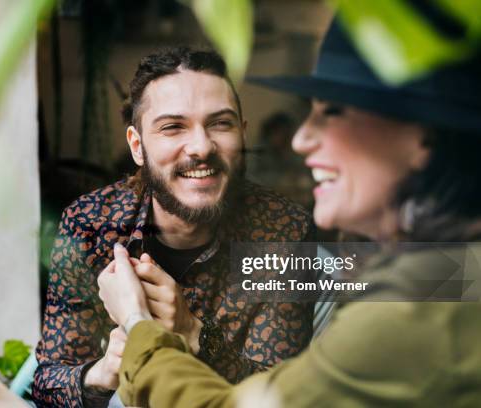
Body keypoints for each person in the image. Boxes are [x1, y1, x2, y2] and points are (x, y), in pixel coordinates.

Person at [97, 19, 481, 407]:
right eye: (173, 127)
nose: (301, 139)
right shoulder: (443, 274)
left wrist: (138, 323)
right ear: (137, 145)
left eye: (331, 111)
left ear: (424, 137)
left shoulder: (414, 308)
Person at [32, 47, 315, 407]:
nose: (201, 146)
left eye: (220, 123)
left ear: (242, 136)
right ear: (137, 146)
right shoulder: (90, 224)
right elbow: (46, 384)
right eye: (172, 127)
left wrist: (193, 332)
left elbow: (284, 398)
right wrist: (102, 373)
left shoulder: (285, 233)